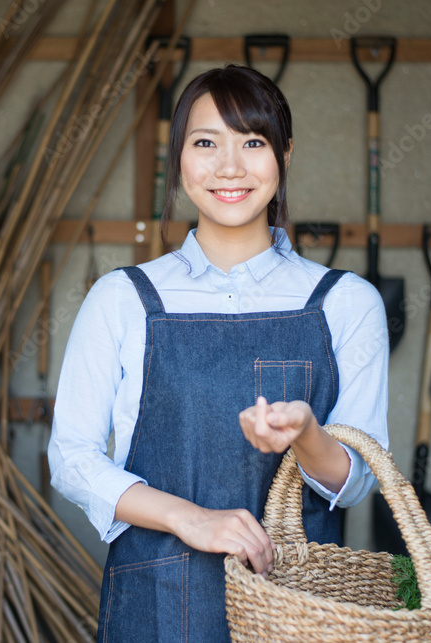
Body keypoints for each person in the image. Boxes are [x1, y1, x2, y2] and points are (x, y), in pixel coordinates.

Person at [48, 64, 389, 642]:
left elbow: (357, 482)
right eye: (205, 143)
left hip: (295, 610)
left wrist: (307, 432)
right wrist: (190, 519)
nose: (229, 167)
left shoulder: (346, 303)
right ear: (177, 159)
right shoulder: (122, 299)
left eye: (252, 142)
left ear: (284, 155)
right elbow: (71, 457)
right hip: (155, 605)